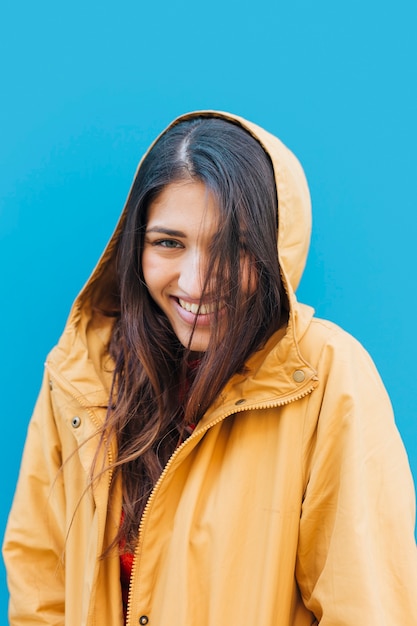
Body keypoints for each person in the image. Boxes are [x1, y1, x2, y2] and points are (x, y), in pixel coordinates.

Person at [3, 111, 417, 626]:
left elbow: (366, 607)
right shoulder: (84, 371)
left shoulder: (327, 378)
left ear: (273, 251)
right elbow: (40, 587)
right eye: (168, 243)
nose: (196, 282)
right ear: (136, 247)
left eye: (232, 247)